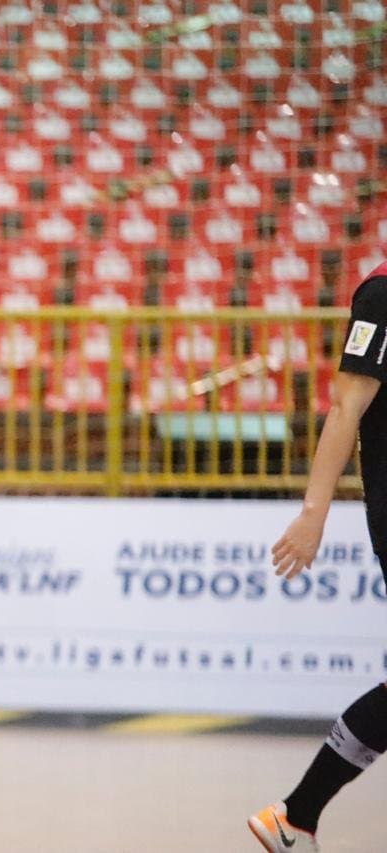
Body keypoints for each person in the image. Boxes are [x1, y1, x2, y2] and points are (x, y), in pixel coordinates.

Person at [251, 259, 387, 853]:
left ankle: (296, 816)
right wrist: (313, 512)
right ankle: (296, 814)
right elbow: (345, 408)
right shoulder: (383, 293)